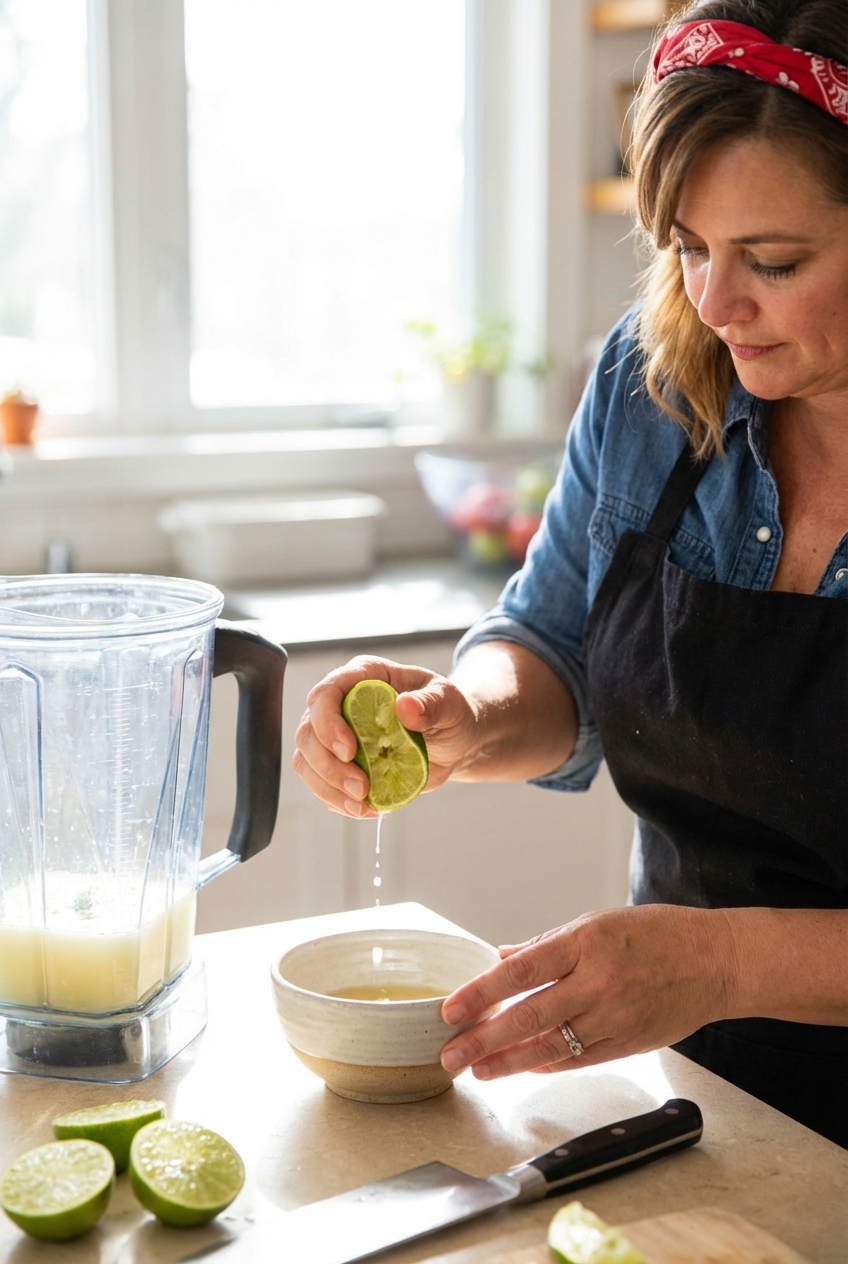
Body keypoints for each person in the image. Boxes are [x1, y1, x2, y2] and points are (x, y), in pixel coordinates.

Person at [293, 0, 848, 1148]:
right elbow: (556, 651)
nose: (711, 303)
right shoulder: (652, 383)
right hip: (702, 1107)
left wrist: (723, 956)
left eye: (773, 260)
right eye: (686, 246)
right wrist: (461, 714)